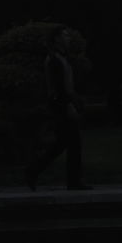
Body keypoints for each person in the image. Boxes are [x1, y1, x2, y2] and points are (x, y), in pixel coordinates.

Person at [26, 28, 86, 190]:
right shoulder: (54, 60)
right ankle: (73, 181)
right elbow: (58, 87)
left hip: (62, 104)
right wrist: (68, 105)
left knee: (62, 144)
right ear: (57, 39)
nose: (69, 38)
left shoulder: (61, 58)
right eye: (65, 35)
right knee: (73, 143)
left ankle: (34, 171)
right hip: (61, 105)